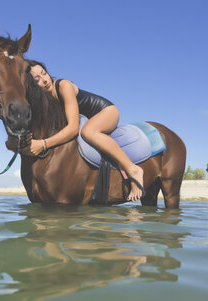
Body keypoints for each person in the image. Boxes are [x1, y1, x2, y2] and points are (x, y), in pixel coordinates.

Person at [25, 59, 145, 202]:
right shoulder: (45, 99)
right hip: (87, 119)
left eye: (44, 73)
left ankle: (133, 169)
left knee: (88, 132)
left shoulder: (64, 86)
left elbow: (73, 128)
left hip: (106, 112)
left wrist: (43, 144)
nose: (44, 80)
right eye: (37, 79)